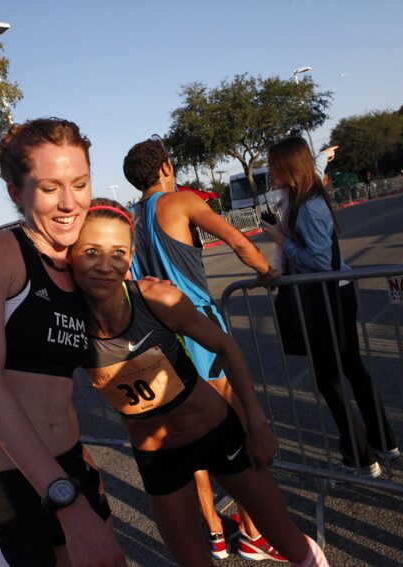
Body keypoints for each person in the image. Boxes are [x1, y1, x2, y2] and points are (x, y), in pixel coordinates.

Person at [70, 200, 329, 567]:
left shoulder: (155, 297)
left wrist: (255, 425)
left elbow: (225, 347)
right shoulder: (66, 328)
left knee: (288, 541)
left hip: (215, 433)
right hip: (158, 457)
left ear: (130, 257)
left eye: (118, 253)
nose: (105, 265)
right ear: (70, 254)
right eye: (91, 252)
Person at [0, 118, 126, 567]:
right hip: (3, 486)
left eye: (80, 184)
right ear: (16, 193)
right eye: (50, 188)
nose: (70, 203)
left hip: (69, 463)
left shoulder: (82, 262)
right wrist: (64, 499)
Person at [123, 136, 280, 559]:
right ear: (166, 168)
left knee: (189, 433)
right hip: (197, 327)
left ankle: (214, 530)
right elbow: (240, 242)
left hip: (157, 336)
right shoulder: (180, 202)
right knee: (234, 425)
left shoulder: (132, 219)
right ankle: (251, 530)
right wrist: (268, 272)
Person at [260, 136, 398, 478]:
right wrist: (324, 156)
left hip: (326, 296)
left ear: (290, 168)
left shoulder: (307, 204)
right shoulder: (302, 193)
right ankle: (382, 441)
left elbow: (319, 261)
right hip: (333, 293)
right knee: (351, 367)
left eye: (274, 164)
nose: (269, 170)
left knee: (331, 377)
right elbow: (317, 167)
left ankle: (360, 457)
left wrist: (281, 240)